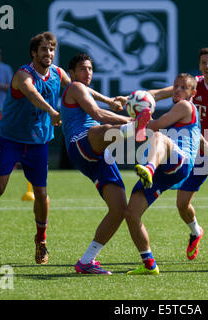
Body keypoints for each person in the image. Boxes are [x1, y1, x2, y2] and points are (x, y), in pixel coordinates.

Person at [0, 31, 71, 265]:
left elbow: (78, 91)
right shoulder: (22, 75)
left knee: (41, 194)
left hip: (38, 143)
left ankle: (41, 241)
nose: (49, 54)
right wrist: (52, 112)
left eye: (52, 49)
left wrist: (105, 101)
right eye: (44, 50)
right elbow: (33, 95)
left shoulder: (57, 73)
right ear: (34, 53)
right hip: (11, 140)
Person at [124, 73, 208, 275]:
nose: (177, 90)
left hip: (178, 164)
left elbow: (154, 127)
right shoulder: (188, 116)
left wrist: (137, 118)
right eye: (176, 86)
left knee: (158, 136)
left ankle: (148, 168)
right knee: (131, 213)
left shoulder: (184, 106)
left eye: (183, 87)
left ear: (193, 93)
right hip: (165, 169)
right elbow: (201, 141)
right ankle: (148, 264)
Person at [60, 53, 142, 275]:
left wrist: (109, 101)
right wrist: (133, 121)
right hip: (81, 144)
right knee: (102, 128)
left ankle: (87, 261)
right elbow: (96, 113)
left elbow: (94, 96)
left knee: (119, 210)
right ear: (72, 73)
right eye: (83, 69)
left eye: (90, 69)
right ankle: (138, 129)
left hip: (99, 155)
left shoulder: (83, 88)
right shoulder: (75, 87)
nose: (88, 72)